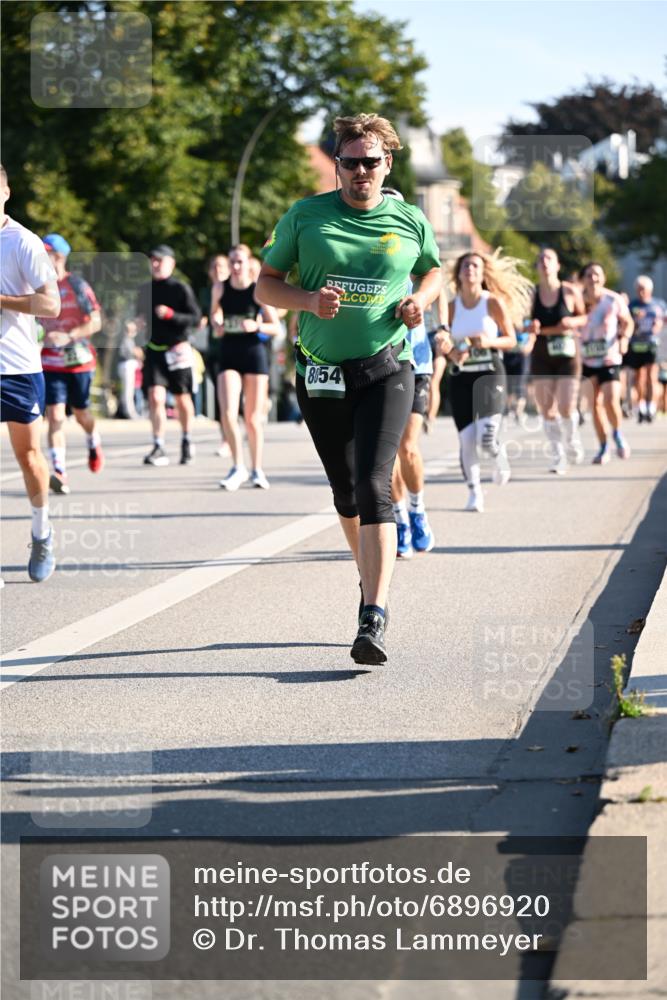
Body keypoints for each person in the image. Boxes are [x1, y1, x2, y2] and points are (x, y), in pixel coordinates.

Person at [257, 113, 441, 664]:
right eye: (350, 162)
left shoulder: (409, 219)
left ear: (388, 164)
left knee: (374, 483)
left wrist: (421, 302)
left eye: (370, 162)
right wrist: (309, 301)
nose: (360, 171)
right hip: (321, 373)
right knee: (345, 492)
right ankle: (368, 581)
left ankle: (373, 615)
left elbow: (434, 270)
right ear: (337, 165)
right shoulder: (306, 216)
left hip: (388, 368)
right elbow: (266, 286)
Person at [0, 164, 61, 582]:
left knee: (30, 458)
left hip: (17, 367)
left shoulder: (22, 242)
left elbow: (51, 305)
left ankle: (42, 534)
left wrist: (2, 299)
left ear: (5, 192)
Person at [437, 250, 532, 513]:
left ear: (483, 272)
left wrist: (487, 341)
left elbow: (511, 340)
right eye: (466, 266)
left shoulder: (492, 303)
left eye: (475, 266)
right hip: (461, 377)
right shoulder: (452, 308)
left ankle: (498, 456)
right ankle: (474, 491)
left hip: (490, 373)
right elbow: (444, 343)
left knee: (486, 437)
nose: (470, 270)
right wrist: (451, 351)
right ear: (458, 273)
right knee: (467, 439)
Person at [382, 186, 435, 558]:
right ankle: (399, 519)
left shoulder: (419, 255)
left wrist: (443, 331)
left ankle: (417, 511)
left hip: (417, 361)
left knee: (407, 447)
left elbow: (439, 294)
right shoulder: (371, 256)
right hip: (380, 361)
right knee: (385, 454)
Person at [211, 244, 282, 491]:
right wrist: (217, 323)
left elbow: (275, 327)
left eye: (240, 262)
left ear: (248, 262)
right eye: (232, 262)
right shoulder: (220, 287)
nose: (236, 266)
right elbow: (214, 315)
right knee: (228, 413)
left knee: (252, 419)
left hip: (253, 355)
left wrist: (257, 326)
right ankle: (237, 466)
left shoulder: (257, 291)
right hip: (229, 352)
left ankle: (257, 469)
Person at [40, 232, 104, 494]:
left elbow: (97, 322)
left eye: (49, 255)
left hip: (78, 361)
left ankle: (92, 439)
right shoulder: (36, 287)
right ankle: (60, 471)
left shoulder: (77, 285)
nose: (44, 259)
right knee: (54, 416)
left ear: (60, 257)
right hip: (49, 362)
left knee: (82, 415)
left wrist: (69, 335)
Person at [135, 244, 201, 466]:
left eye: (160, 260)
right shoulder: (144, 290)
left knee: (182, 398)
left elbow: (195, 318)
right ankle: (158, 444)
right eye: (153, 260)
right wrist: (136, 325)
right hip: (154, 350)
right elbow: (140, 317)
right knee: (155, 397)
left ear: (171, 263)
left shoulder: (180, 289)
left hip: (177, 349)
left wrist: (171, 315)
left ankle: (186, 439)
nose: (155, 264)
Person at [527, 248, 586, 474]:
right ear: (537, 267)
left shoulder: (569, 291)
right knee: (546, 410)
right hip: (541, 353)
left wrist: (572, 322)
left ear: (557, 265)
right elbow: (523, 322)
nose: (544, 262)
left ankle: (572, 439)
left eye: (549, 258)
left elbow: (584, 316)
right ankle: (558, 455)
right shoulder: (533, 293)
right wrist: (529, 327)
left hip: (567, 355)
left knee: (565, 406)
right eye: (540, 259)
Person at [579, 262, 633, 464]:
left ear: (603, 278)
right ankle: (603, 447)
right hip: (586, 358)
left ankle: (617, 434)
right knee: (595, 405)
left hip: (609, 357)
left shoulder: (613, 299)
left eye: (597, 275)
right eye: (589, 275)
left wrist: (625, 338)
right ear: (583, 279)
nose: (593, 278)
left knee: (611, 400)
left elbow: (628, 322)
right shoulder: (578, 301)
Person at [626, 275, 664, 423]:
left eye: (644, 289)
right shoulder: (632, 306)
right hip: (636, 345)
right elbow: (627, 324)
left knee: (651, 377)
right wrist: (636, 321)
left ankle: (651, 408)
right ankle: (640, 407)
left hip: (652, 344)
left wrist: (658, 324)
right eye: (639, 288)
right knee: (639, 378)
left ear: (650, 289)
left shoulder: (658, 304)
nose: (641, 291)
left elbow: (663, 322)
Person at [116, 319, 141, 419]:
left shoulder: (129, 340)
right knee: (128, 391)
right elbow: (135, 353)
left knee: (129, 391)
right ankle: (129, 412)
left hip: (128, 365)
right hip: (126, 365)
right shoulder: (125, 339)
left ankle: (127, 411)